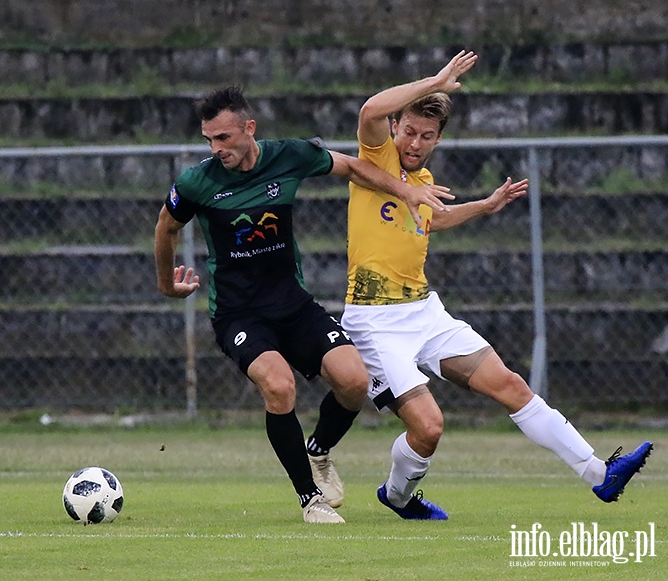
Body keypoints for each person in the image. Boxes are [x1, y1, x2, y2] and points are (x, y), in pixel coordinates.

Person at [340, 49, 652, 520]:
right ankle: (398, 496)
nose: (415, 142)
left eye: (427, 136)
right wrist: (437, 81)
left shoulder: (423, 179)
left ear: (437, 141)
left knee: (510, 384)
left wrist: (484, 207)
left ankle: (598, 474)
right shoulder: (377, 157)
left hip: (424, 312)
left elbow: (432, 220)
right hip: (375, 321)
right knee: (429, 428)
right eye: (408, 131)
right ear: (395, 128)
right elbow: (368, 110)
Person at [154, 86, 453, 523]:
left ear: (248, 129)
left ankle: (318, 451)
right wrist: (166, 285)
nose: (217, 149)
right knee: (279, 386)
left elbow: (352, 166)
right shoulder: (198, 182)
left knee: (354, 380)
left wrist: (404, 192)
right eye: (209, 140)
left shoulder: (288, 156)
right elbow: (166, 229)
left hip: (293, 305)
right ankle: (310, 499)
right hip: (239, 315)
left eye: (224, 138)